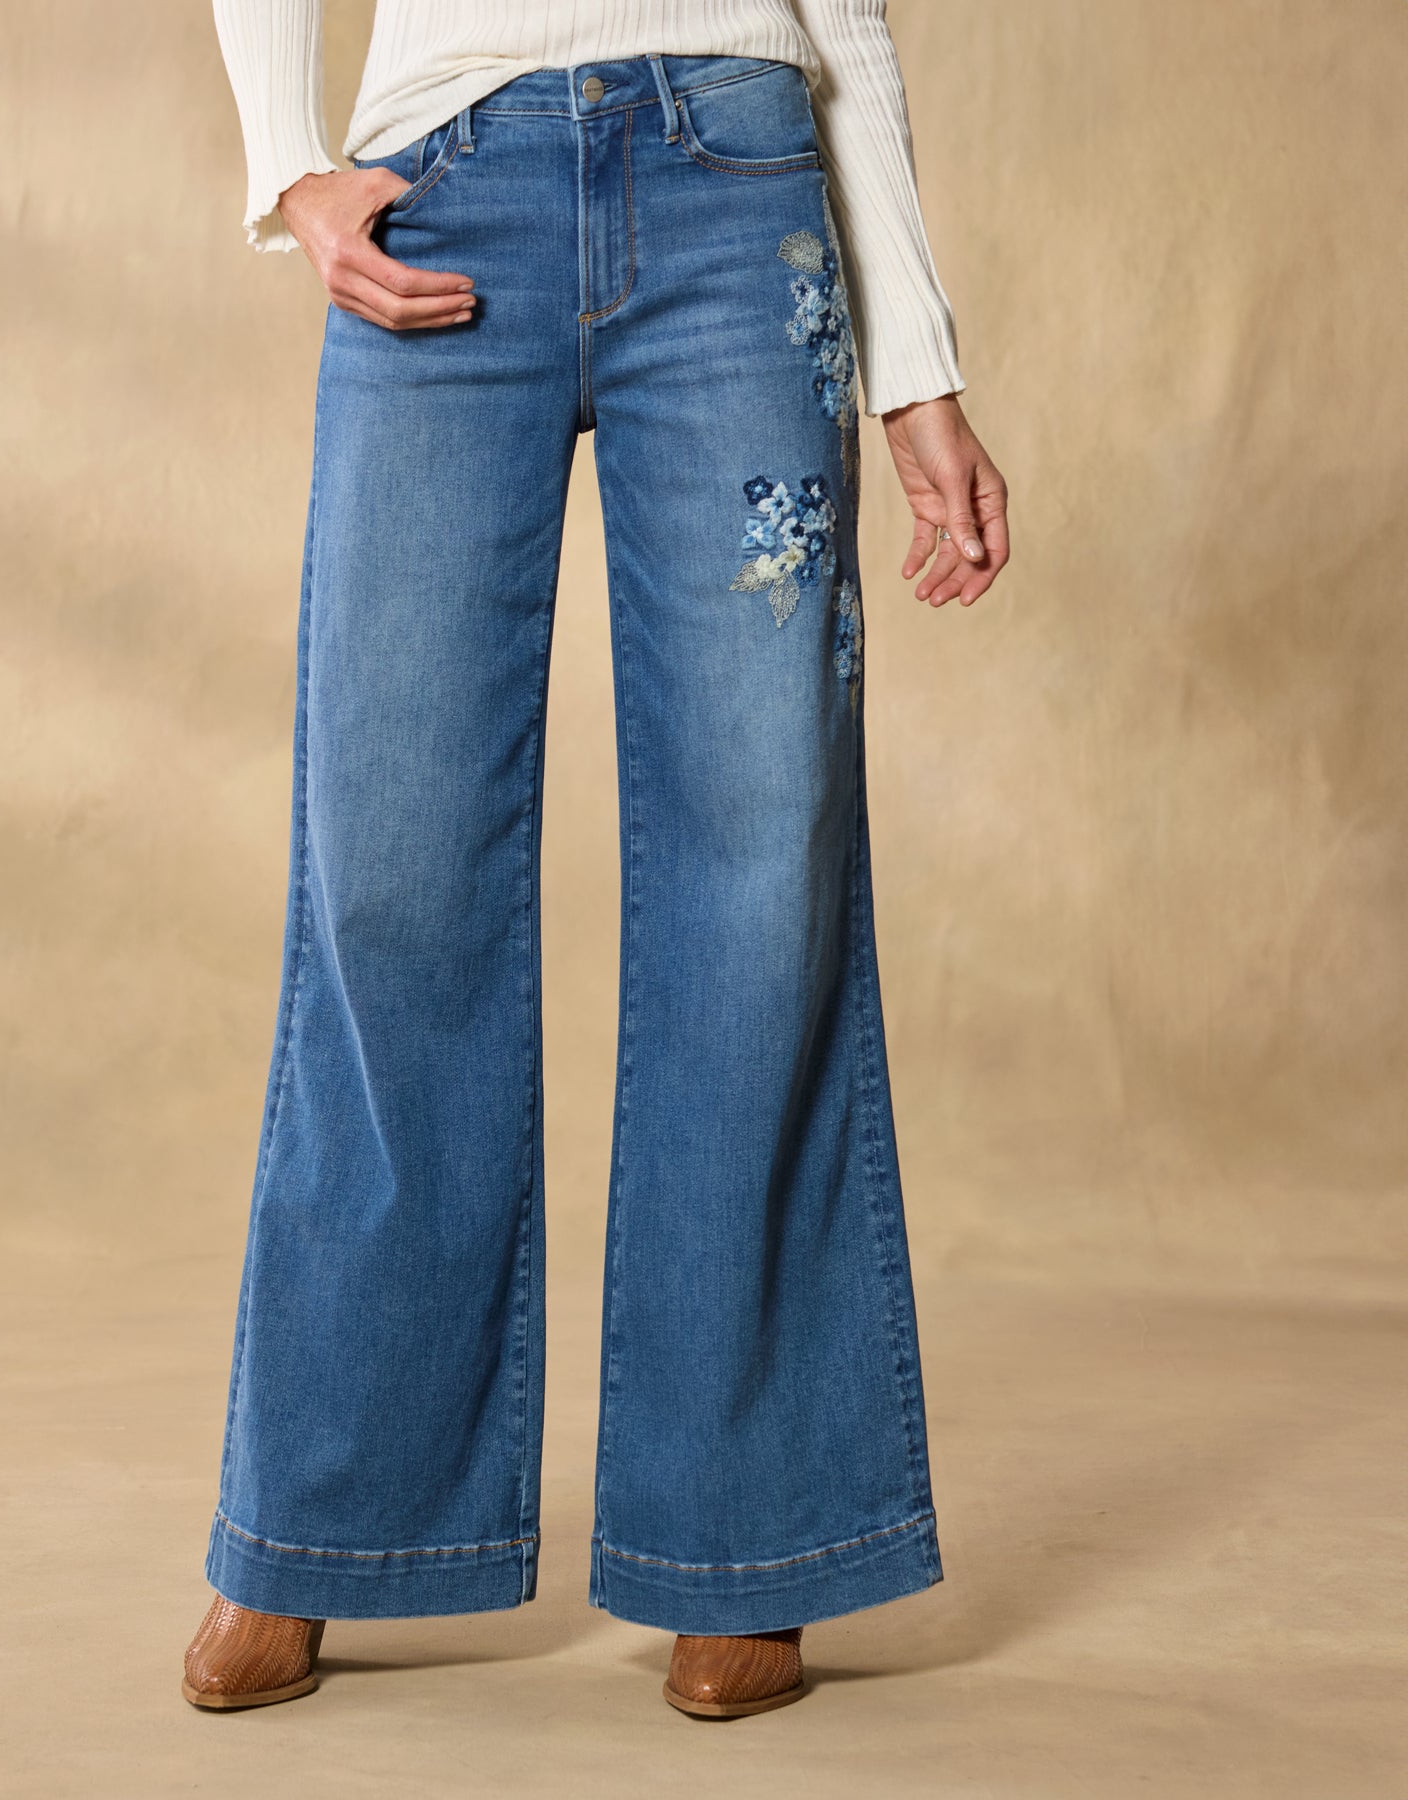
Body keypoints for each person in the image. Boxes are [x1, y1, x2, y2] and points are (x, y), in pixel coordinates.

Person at [185, 0, 1009, 1720]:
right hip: (443, 183)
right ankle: (328, 1520)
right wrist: (290, 167)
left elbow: (845, 15)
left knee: (760, 876)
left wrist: (918, 361)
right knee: (391, 871)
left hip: (736, 185)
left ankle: (745, 1539)